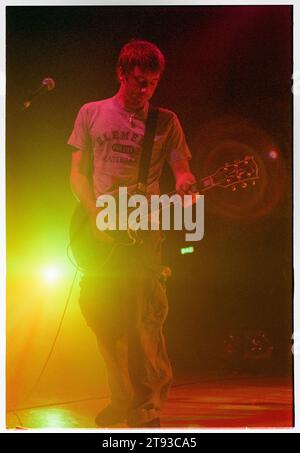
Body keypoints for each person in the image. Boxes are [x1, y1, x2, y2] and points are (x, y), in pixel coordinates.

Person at [68, 39, 197, 428]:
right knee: (104, 317)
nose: (145, 90)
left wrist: (188, 183)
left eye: (152, 84)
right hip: (100, 227)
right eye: (139, 81)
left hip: (145, 229)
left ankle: (147, 408)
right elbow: (77, 173)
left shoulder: (166, 121)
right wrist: (94, 215)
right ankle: (121, 400)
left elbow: (182, 170)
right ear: (121, 74)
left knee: (146, 319)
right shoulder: (91, 113)